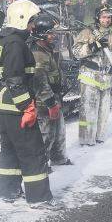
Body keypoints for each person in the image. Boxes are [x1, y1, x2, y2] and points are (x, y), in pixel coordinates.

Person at [0, 0, 54, 206]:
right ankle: (39, 198)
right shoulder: (16, 44)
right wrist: (27, 107)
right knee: (32, 152)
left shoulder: (5, 40)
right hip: (17, 108)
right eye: (31, 21)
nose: (33, 26)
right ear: (21, 20)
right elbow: (15, 79)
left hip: (5, 108)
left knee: (9, 151)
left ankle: (7, 191)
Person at [73, 4, 112, 146]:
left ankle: (100, 137)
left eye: (109, 17)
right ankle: (86, 141)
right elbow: (76, 52)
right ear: (98, 18)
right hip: (89, 77)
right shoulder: (87, 32)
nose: (106, 20)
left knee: (104, 112)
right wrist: (92, 46)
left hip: (105, 78)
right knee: (88, 111)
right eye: (103, 17)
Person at [30, 14, 71, 170]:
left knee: (59, 130)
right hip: (44, 103)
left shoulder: (46, 50)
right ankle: (41, 165)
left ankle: (58, 158)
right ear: (41, 34)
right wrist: (51, 104)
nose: (54, 36)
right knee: (46, 134)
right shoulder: (38, 54)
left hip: (54, 98)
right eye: (50, 33)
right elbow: (40, 83)